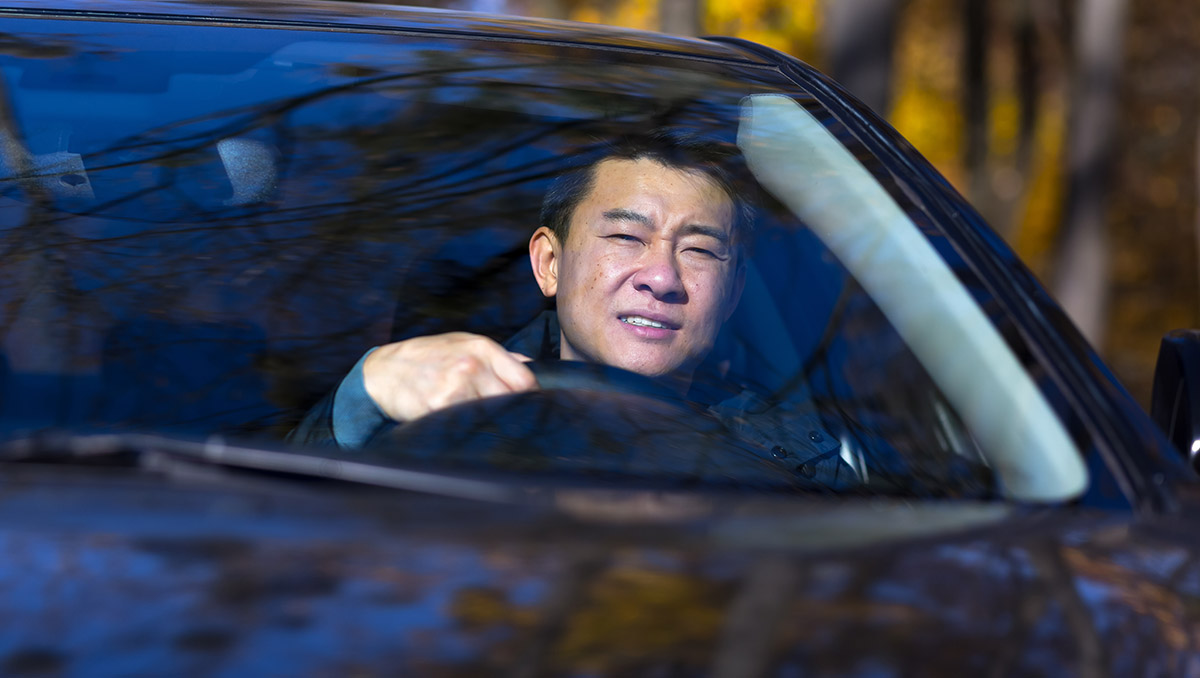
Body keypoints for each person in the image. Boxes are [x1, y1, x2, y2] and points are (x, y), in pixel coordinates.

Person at [290, 131, 849, 486]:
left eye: (700, 250)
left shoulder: (797, 461)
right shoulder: (433, 409)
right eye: (627, 237)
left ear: (732, 291)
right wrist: (362, 397)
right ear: (548, 264)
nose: (661, 277)